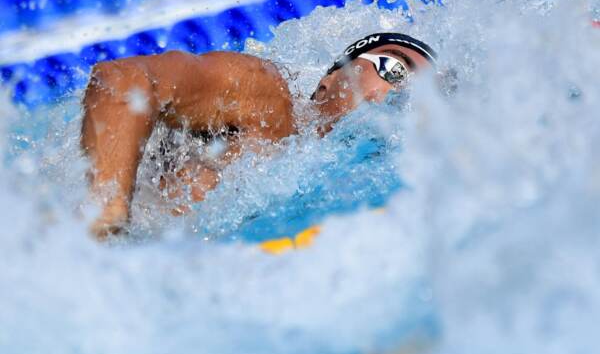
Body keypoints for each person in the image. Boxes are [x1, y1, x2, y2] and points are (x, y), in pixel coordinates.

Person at [81, 32, 437, 240]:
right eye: (395, 69)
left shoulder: (356, 198)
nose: (402, 92)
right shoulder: (267, 101)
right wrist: (106, 220)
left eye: (422, 94)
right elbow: (123, 79)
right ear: (327, 83)